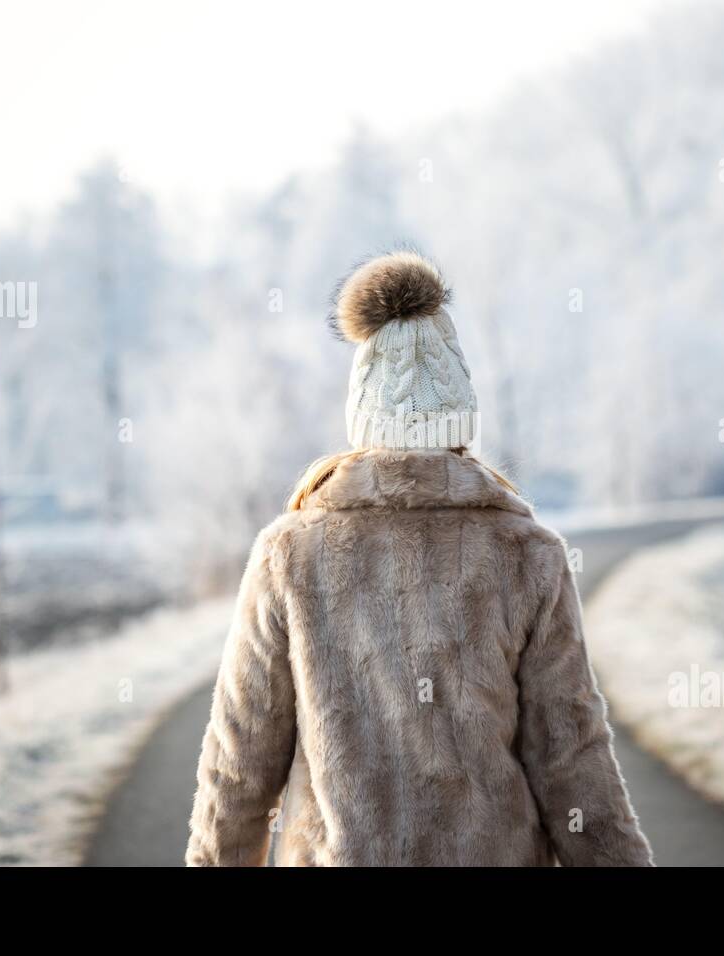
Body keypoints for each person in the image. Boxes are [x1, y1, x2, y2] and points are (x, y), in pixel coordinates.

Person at [186, 251, 653, 866]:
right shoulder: (529, 556)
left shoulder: (290, 555)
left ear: (362, 422)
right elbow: (573, 759)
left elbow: (239, 765)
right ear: (461, 424)